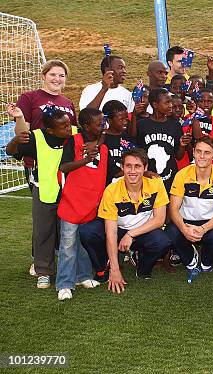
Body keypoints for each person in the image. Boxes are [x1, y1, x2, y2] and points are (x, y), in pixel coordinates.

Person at [6, 104, 77, 288]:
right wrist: (15, 139)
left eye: (69, 124)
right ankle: (43, 271)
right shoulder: (36, 137)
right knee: (43, 231)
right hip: (44, 189)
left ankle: (69, 269)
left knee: (68, 232)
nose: (69, 129)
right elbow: (11, 151)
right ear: (50, 129)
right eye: (64, 127)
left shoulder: (76, 133)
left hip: (71, 191)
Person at [97, 148, 172, 293]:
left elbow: (159, 220)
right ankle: (105, 266)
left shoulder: (156, 184)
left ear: (145, 168)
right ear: (122, 167)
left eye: (137, 166)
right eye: (128, 166)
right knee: (90, 232)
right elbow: (111, 233)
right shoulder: (111, 190)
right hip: (119, 231)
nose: (132, 171)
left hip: (143, 229)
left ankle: (142, 267)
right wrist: (115, 269)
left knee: (163, 241)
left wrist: (131, 234)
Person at [55, 108, 108, 300]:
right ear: (86, 126)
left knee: (83, 244)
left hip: (91, 204)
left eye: (103, 122)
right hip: (72, 203)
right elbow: (64, 167)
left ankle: (83, 276)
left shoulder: (104, 147)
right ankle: (64, 284)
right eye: (98, 123)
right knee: (68, 246)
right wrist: (86, 159)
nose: (102, 125)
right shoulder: (74, 141)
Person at [166, 137, 213, 282]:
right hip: (186, 221)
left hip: (210, 222)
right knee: (171, 231)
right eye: (199, 152)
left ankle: (206, 261)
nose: (202, 156)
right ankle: (190, 258)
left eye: (207, 153)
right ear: (194, 153)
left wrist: (203, 229)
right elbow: (173, 209)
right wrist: (184, 229)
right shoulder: (181, 175)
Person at [14, 60, 77, 198]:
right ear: (44, 76)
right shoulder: (29, 98)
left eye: (61, 75)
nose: (57, 79)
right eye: (52, 74)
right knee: (45, 209)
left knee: (65, 210)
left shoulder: (68, 103)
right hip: (39, 163)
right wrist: (19, 117)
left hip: (64, 163)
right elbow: (22, 134)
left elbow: (73, 133)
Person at [135, 88, 190, 191]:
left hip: (170, 179)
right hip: (147, 179)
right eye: (167, 102)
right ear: (155, 105)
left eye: (171, 102)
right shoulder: (142, 125)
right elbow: (136, 153)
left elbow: (178, 156)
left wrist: (182, 145)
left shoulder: (175, 125)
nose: (171, 105)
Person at [102, 100, 134, 185]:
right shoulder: (102, 139)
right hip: (109, 187)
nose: (125, 122)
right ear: (109, 120)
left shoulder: (128, 136)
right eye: (121, 119)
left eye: (126, 118)